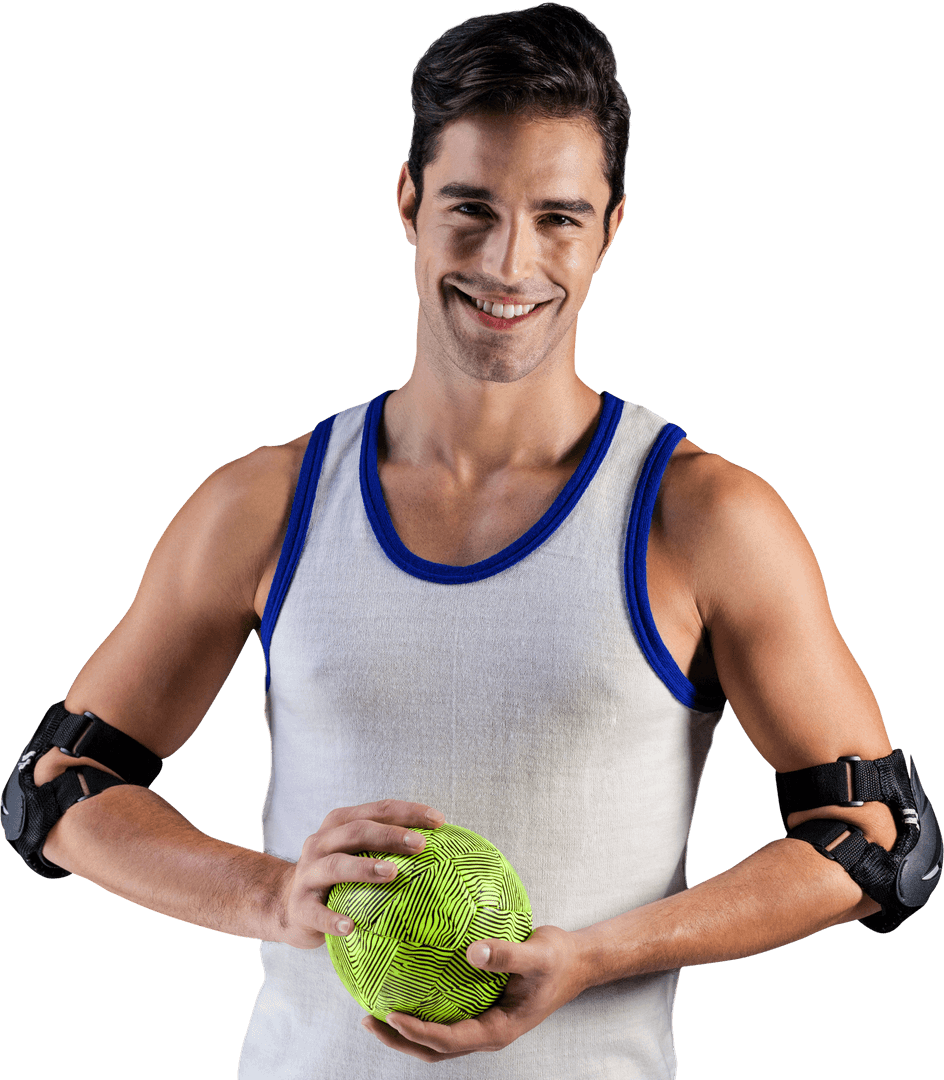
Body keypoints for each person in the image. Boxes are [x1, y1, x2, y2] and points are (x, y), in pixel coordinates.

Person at [4, 4, 939, 1078]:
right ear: (406, 202)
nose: (508, 264)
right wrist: (269, 892)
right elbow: (55, 791)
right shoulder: (266, 503)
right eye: (469, 208)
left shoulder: (702, 516)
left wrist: (592, 957)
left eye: (557, 217)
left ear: (611, 230)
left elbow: (875, 841)